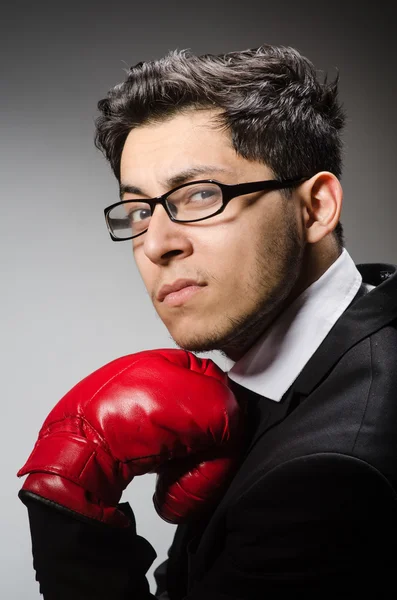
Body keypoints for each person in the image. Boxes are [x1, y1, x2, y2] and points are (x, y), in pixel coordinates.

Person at [17, 45, 397, 599]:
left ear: (315, 207)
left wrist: (67, 518)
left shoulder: (331, 473)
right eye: (141, 209)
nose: (157, 243)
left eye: (199, 195)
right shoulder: (311, 365)